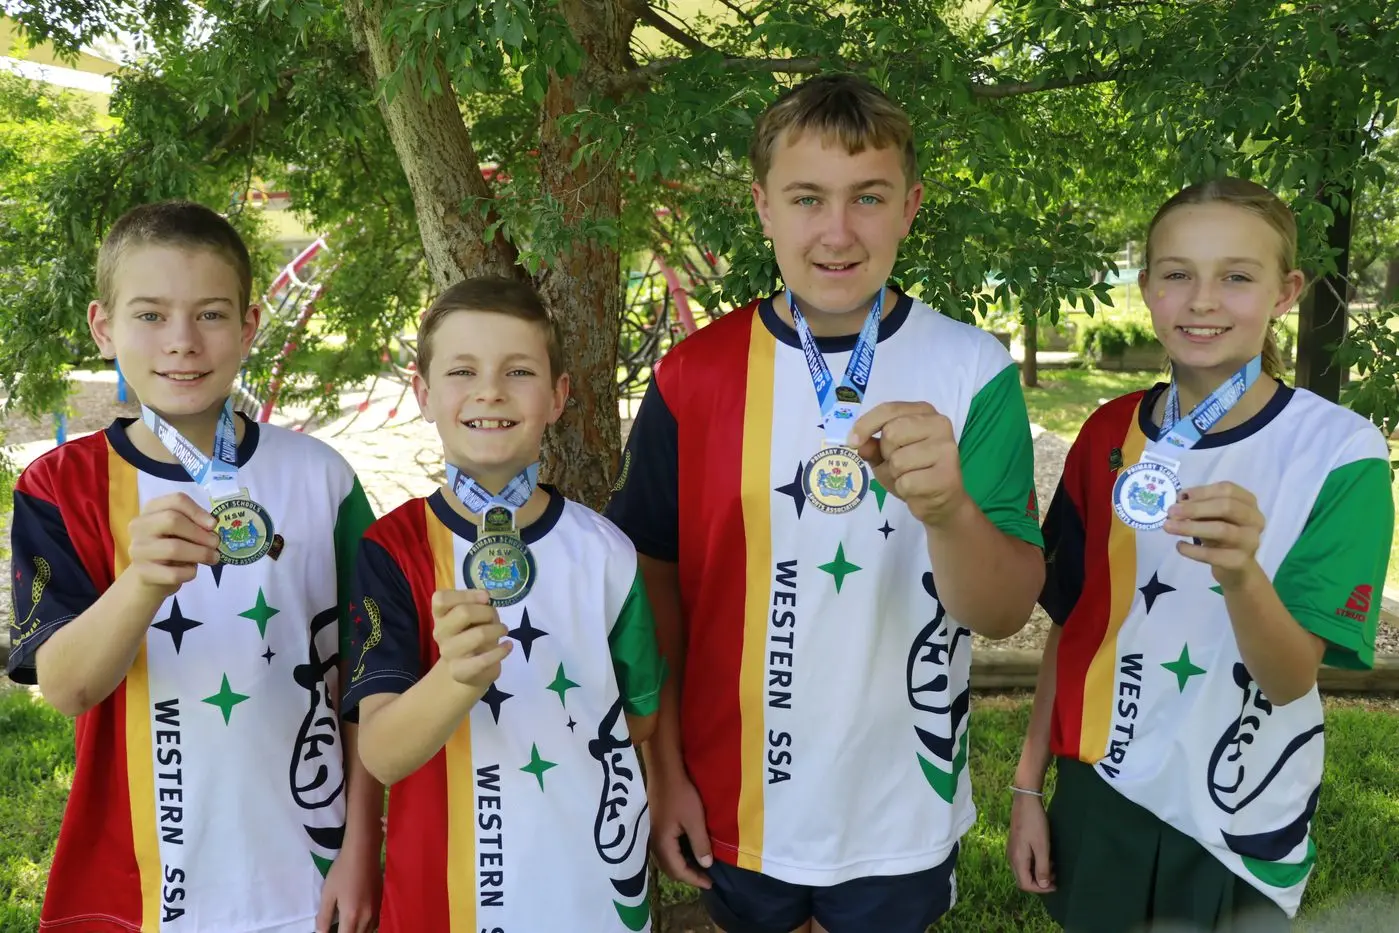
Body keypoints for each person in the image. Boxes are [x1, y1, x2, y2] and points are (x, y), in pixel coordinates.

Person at [605, 74, 1045, 933]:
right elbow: (648, 584)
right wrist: (662, 770)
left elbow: (1001, 611)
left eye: (867, 197)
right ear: (763, 207)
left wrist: (949, 508)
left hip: (898, 810)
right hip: (733, 793)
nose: (837, 231)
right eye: (807, 198)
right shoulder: (691, 375)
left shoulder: (971, 369)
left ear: (909, 206)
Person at [1007, 177, 1395, 932]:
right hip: (1102, 782)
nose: (1203, 300)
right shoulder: (1105, 431)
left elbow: (1289, 679)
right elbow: (1072, 620)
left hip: (1237, 801)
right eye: (1177, 273)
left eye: (1236, 276)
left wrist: (1242, 572)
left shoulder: (1339, 452)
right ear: (1146, 285)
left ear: (1284, 291)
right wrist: (1027, 784)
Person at [6, 200, 383, 932]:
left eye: (210, 315)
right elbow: (67, 686)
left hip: (307, 874)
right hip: (141, 885)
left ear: (248, 327)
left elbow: (367, 684)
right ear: (103, 326)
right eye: (149, 315)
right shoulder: (59, 485)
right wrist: (140, 581)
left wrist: (361, 845)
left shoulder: (321, 476)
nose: (182, 342)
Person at [343, 276, 666, 931]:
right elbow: (380, 751)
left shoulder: (605, 551)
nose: (489, 390)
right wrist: (455, 677)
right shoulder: (392, 549)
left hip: (588, 893)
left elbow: (639, 717)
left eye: (518, 371)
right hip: (445, 898)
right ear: (424, 393)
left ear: (558, 395)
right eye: (463, 370)